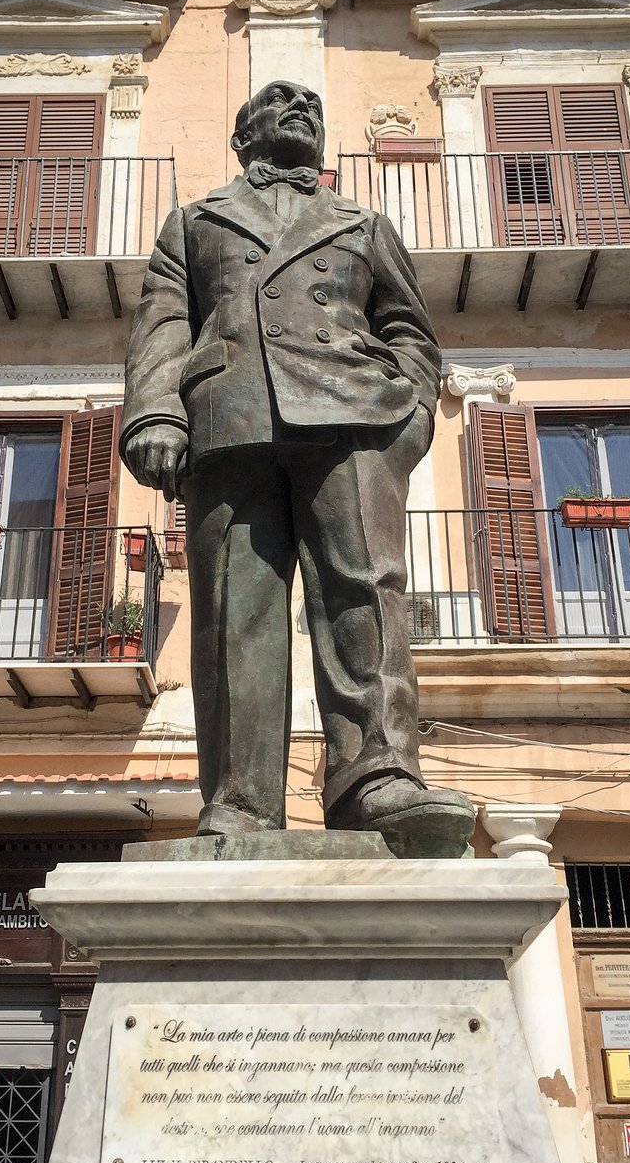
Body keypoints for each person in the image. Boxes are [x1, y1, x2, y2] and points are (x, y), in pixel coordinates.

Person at [121, 80, 474, 850]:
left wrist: (408, 418)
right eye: (280, 102)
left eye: (311, 105)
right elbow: (161, 329)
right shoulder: (195, 223)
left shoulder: (363, 224)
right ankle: (241, 797)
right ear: (245, 138)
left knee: (365, 589)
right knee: (233, 610)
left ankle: (378, 775)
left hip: (353, 415)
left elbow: (411, 331)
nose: (300, 108)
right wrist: (155, 413)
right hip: (231, 414)